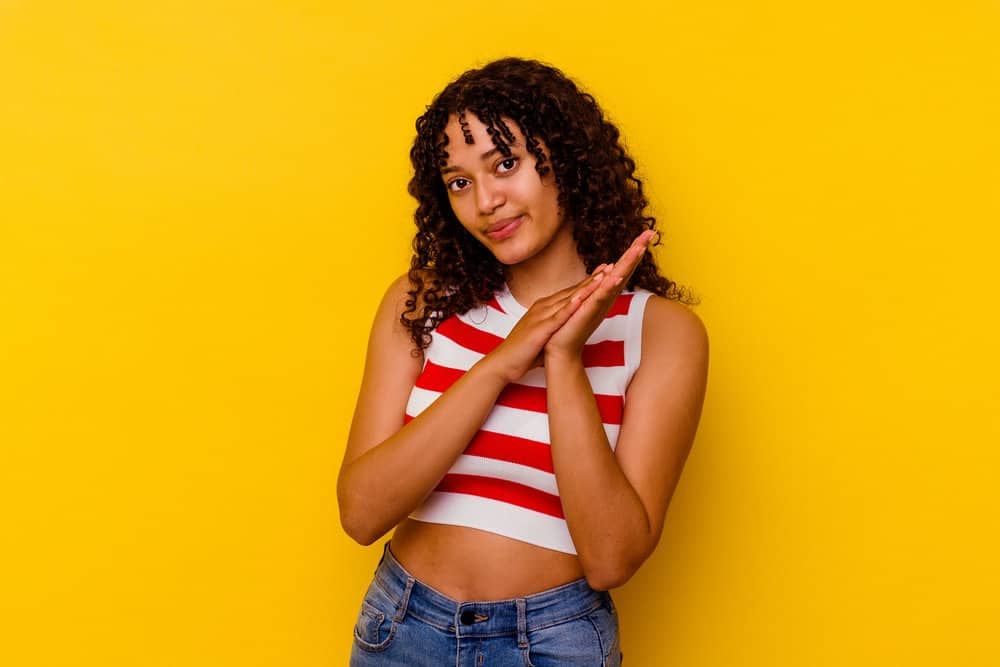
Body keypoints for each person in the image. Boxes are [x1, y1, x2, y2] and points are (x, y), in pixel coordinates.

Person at [338, 57, 709, 666]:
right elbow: (360, 512)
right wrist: (499, 364)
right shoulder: (421, 302)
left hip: (555, 643)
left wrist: (562, 358)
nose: (485, 201)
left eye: (504, 163)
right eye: (459, 182)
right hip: (401, 628)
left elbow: (611, 557)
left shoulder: (662, 333)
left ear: (564, 157)